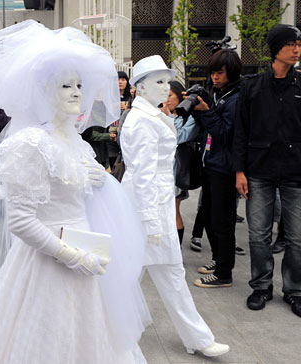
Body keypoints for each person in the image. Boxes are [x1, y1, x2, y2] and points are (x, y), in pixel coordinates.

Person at [0, 20, 150, 364]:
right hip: (49, 259)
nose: (75, 92)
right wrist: (70, 255)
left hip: (85, 246)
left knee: (90, 335)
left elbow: (79, 195)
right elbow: (20, 220)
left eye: (78, 85)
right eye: (64, 86)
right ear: (44, 91)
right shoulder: (31, 144)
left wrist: (99, 182)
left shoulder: (78, 144)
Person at [120, 55, 229, 357]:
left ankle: (197, 337)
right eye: (157, 81)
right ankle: (103, 328)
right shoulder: (141, 121)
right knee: (138, 276)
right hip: (146, 208)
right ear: (139, 87)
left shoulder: (152, 115)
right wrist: (151, 221)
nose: (165, 87)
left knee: (160, 275)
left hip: (158, 203)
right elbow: (141, 174)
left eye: (166, 81)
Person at [235, 24, 301, 317]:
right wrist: (239, 171)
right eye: (290, 44)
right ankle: (261, 286)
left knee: (298, 237)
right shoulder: (251, 86)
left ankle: (295, 290)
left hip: (295, 173)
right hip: (258, 172)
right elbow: (240, 132)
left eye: (299, 43)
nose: (297, 49)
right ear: (276, 49)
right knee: (258, 235)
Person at [189, 48, 242, 288]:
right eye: (212, 73)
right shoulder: (221, 94)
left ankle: (223, 273)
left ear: (231, 72)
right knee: (210, 216)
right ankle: (218, 259)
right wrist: (202, 109)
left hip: (225, 168)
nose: (215, 78)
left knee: (223, 221)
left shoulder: (236, 98)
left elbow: (223, 134)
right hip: (212, 164)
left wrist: (208, 111)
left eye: (220, 73)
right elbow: (209, 129)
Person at [161, 80, 199, 245]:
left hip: (177, 169)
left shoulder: (190, 116)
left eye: (169, 96)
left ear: (179, 95)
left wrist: (168, 118)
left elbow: (179, 137)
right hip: (161, 168)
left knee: (173, 210)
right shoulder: (161, 113)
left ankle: (176, 251)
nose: (166, 100)